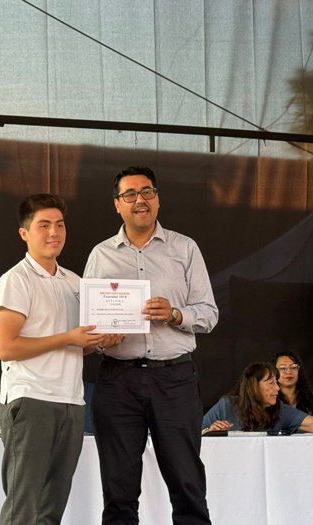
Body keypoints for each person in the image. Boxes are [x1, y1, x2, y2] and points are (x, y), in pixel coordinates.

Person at [84, 166, 219, 525]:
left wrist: (175, 314)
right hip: (117, 381)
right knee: (118, 493)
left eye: (147, 192)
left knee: (188, 486)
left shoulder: (185, 248)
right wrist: (101, 339)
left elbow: (209, 314)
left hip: (174, 380)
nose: (139, 200)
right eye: (129, 194)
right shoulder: (101, 255)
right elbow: (87, 324)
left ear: (157, 199)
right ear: (117, 204)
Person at [0, 193, 121, 525]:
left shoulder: (74, 282)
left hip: (71, 401)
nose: (54, 232)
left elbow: (79, 343)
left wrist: (100, 342)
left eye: (60, 225)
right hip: (31, 399)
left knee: (53, 506)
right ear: (24, 233)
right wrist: (68, 338)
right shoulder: (15, 281)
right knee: (23, 505)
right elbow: (7, 347)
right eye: (44, 225)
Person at [275, 350, 313, 417]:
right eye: (282, 368)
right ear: (274, 371)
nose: (288, 372)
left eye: (293, 367)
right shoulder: (269, 400)